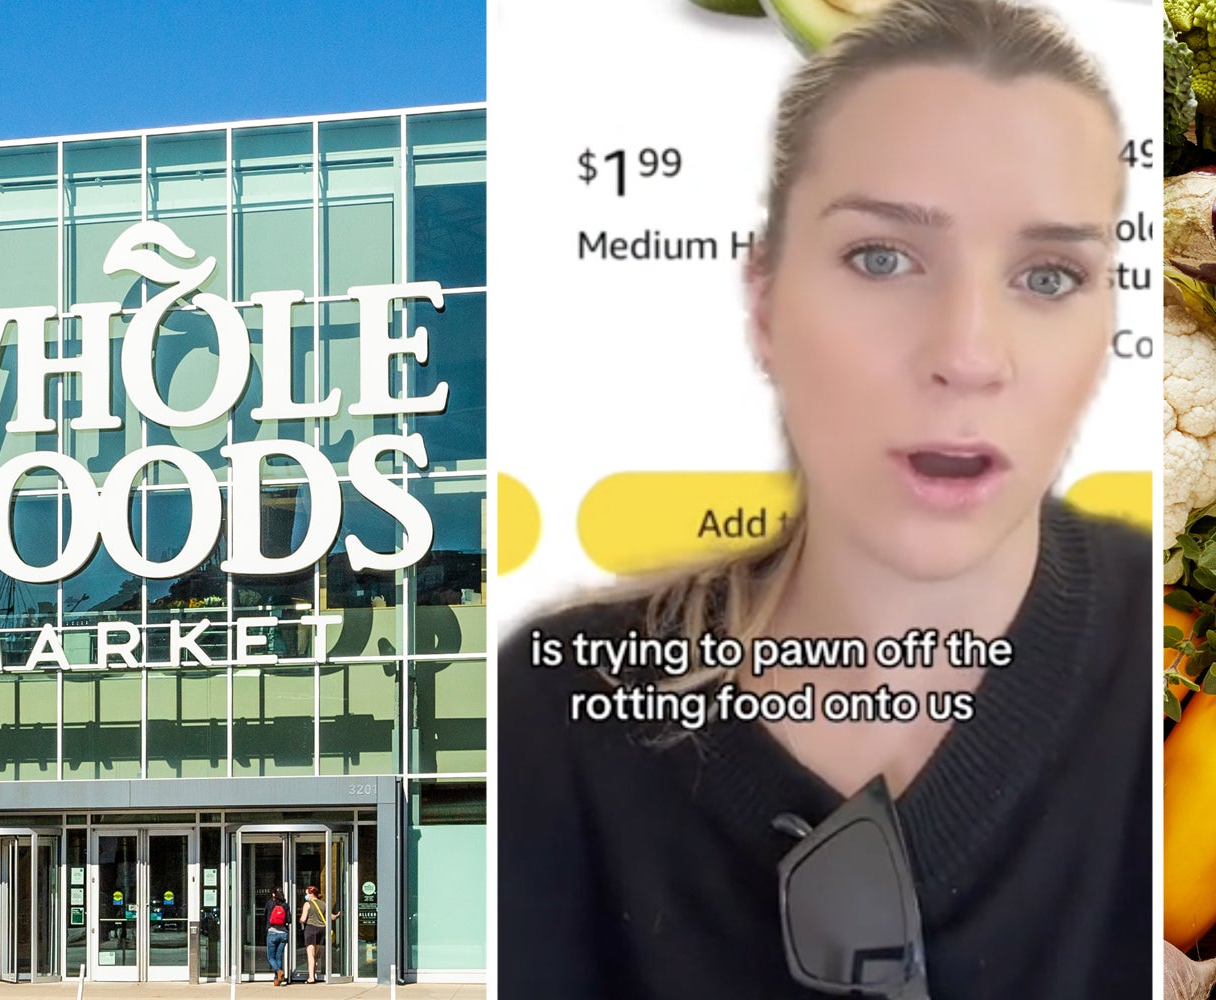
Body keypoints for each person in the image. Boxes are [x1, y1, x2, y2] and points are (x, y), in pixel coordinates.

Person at [498, 0, 1149, 997]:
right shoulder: (552, 714)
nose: (967, 356)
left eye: (1047, 273)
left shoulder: (1183, 642)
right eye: (882, 258)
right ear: (764, 303)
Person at [297, 885, 339, 984]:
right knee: (315, 954)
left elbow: (303, 919)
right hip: (322, 930)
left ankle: (311, 977)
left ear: (311, 894)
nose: (306, 895)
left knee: (310, 955)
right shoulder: (323, 904)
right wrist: (337, 915)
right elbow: (331, 917)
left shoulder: (307, 904)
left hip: (311, 929)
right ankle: (314, 974)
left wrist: (299, 921)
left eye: (307, 893)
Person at [264, 886, 290, 987]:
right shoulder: (285, 905)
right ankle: (277, 980)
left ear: (273, 894)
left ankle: (279, 972)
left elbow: (265, 916)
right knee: (278, 956)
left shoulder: (270, 904)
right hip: (283, 934)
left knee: (270, 957)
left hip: (272, 932)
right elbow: (289, 920)